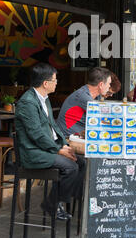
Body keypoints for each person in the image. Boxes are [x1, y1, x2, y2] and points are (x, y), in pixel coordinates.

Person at [15, 62, 86, 220]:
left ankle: (63, 199)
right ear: (45, 83)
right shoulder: (28, 102)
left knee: (81, 163)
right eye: (55, 80)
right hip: (33, 152)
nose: (56, 83)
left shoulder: (43, 98)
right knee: (71, 167)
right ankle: (53, 203)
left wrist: (64, 145)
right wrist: (58, 150)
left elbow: (53, 126)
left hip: (46, 148)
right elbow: (36, 134)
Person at [57, 67, 112, 138]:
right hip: (68, 138)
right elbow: (102, 118)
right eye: (109, 83)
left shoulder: (95, 95)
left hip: (79, 135)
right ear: (101, 85)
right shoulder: (83, 97)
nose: (109, 86)